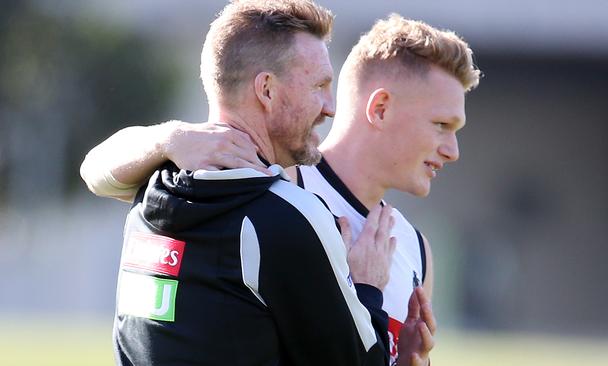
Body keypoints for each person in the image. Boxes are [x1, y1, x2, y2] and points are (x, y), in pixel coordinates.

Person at [82, 11, 481, 365]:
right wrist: (169, 138)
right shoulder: (276, 192)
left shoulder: (415, 251)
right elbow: (96, 172)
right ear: (379, 108)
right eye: (441, 126)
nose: (454, 151)